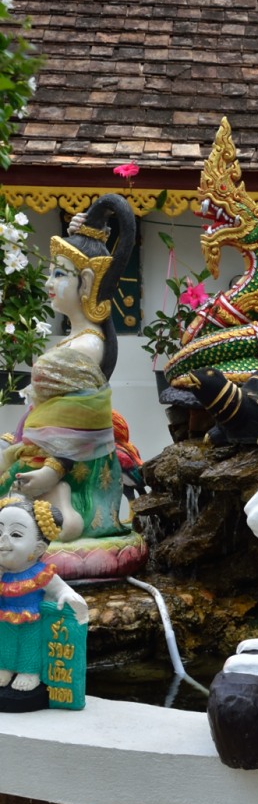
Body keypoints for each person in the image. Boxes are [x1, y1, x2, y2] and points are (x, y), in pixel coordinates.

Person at [0, 197, 137, 544]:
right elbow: (49, 412)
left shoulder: (86, 346)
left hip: (69, 461)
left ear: (86, 283)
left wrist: (53, 469)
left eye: (59, 274)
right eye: (52, 272)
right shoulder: (74, 341)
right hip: (40, 447)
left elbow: (78, 424)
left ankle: (62, 503)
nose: (49, 282)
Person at [0, 495, 88, 700]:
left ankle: (29, 672)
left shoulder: (40, 573)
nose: (3, 540)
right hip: (4, 617)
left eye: (15, 534)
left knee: (30, 645)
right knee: (5, 643)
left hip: (32, 619)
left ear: (38, 548)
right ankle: (5, 668)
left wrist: (67, 595)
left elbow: (61, 589)